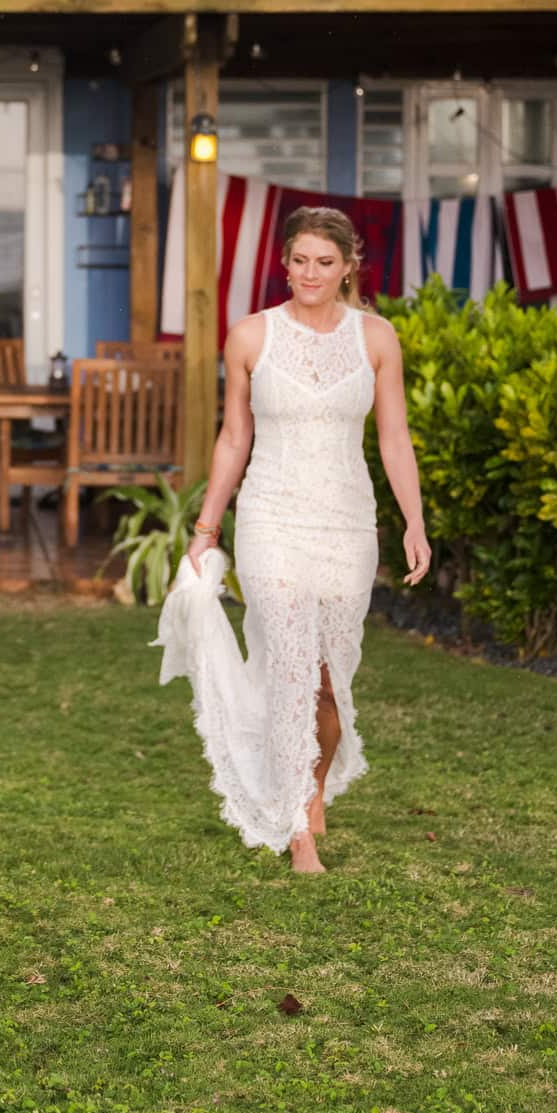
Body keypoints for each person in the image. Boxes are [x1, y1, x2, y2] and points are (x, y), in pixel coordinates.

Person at [156, 207, 430, 873]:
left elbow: (394, 436)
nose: (311, 273)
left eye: (325, 262)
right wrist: (205, 527)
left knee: (330, 684)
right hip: (272, 519)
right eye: (301, 260)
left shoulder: (377, 337)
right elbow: (233, 437)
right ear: (285, 263)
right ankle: (294, 828)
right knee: (288, 671)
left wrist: (414, 520)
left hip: (346, 524)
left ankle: (311, 790)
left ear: (348, 268)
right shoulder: (251, 336)